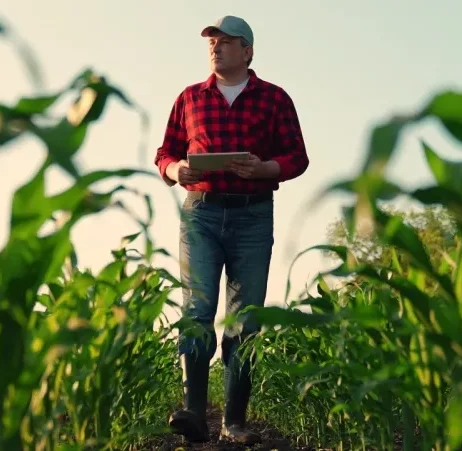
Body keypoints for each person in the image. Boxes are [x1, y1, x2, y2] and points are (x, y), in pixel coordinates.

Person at [154, 15, 309, 444]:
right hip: (200, 213)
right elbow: (164, 152)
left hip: (253, 216)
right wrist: (176, 169)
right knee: (197, 312)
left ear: (248, 51)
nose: (216, 47)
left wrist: (263, 168)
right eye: (212, 42)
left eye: (226, 42)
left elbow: (297, 157)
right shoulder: (189, 98)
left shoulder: (274, 99)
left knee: (244, 321)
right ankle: (193, 414)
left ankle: (234, 423)